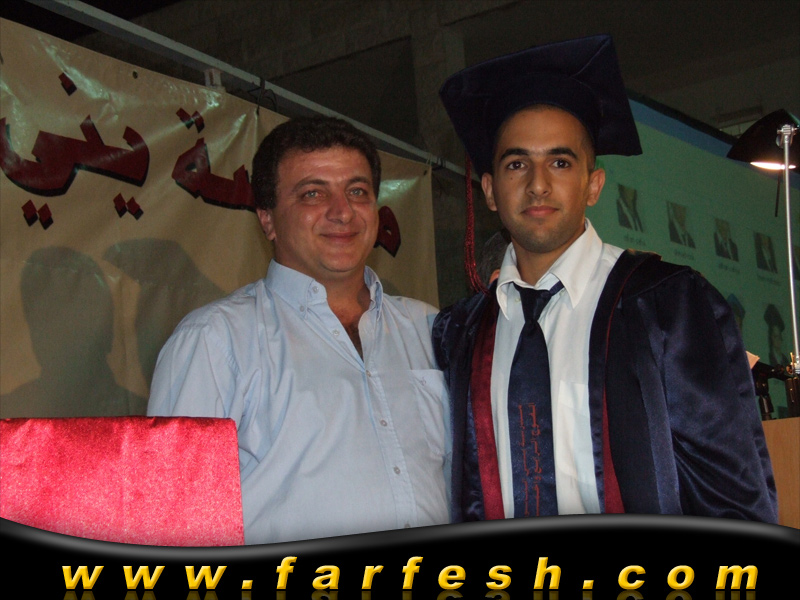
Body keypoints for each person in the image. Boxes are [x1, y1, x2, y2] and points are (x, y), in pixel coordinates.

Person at [434, 34, 776, 522]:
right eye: (516, 164)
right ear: (489, 190)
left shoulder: (667, 305)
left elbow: (731, 496)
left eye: (560, 162)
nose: (537, 184)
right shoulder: (460, 334)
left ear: (593, 185)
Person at [148, 116, 450, 544]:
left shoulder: (430, 329)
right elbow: (173, 523)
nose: (342, 211)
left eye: (357, 191)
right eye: (313, 193)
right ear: (267, 219)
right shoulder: (214, 341)